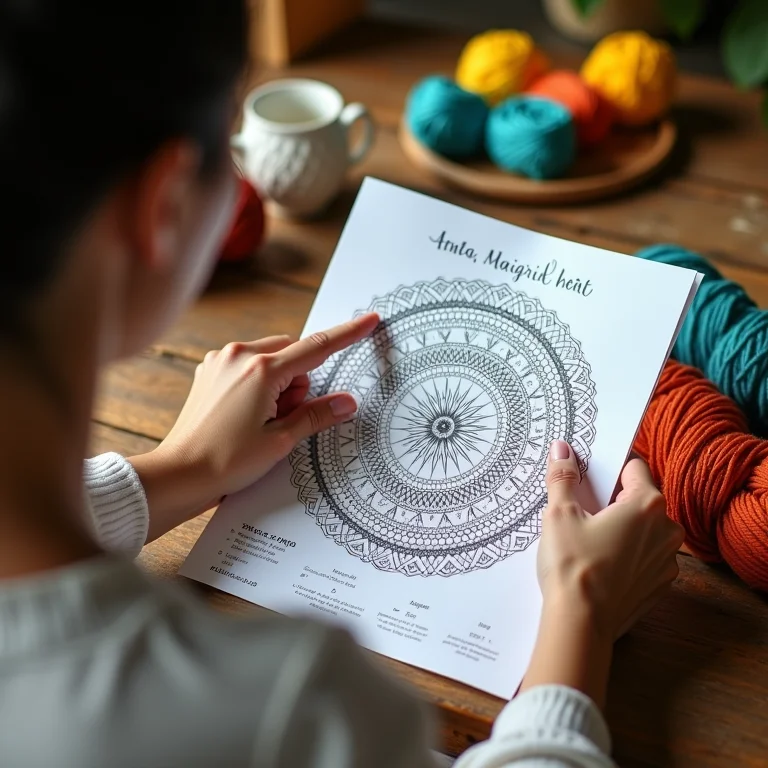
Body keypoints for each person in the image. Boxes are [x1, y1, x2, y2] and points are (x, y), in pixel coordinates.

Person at [0, 2, 684, 766]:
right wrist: (580, 613)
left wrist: (179, 471)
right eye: (227, 145)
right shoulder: (284, 707)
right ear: (162, 206)